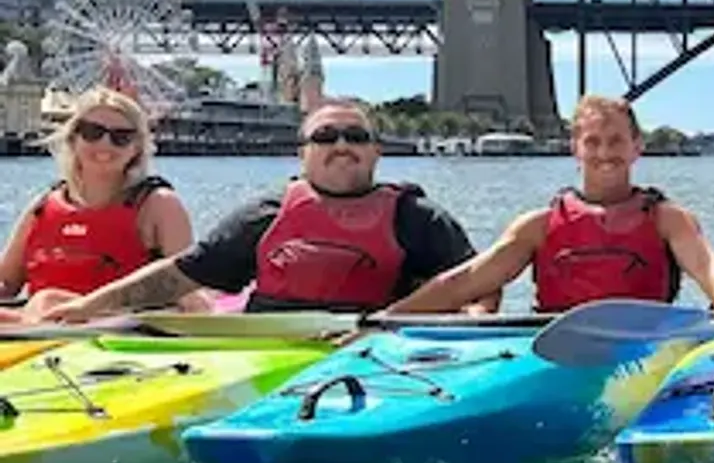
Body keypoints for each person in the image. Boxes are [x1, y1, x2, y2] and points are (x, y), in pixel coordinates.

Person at [48, 99, 483, 319]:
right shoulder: (266, 214)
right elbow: (179, 275)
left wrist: (474, 327)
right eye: (326, 138)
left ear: (377, 152)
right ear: (303, 154)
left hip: (370, 347)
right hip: (267, 346)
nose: (342, 146)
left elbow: (479, 285)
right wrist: (89, 308)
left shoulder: (418, 218)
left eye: (356, 136)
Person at [389, 94, 714, 314]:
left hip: (644, 351)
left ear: (637, 147)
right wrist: (387, 318)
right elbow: (465, 282)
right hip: (558, 354)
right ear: (575, 148)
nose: (605, 153)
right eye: (593, 142)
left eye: (616, 141)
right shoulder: (537, 226)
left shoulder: (669, 220)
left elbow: (712, 271)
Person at [0, 88, 198, 319]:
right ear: (73, 139)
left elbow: (190, 291)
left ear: (137, 148)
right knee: (44, 302)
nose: (106, 144)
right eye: (92, 132)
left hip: (114, 334)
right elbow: (6, 282)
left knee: (47, 300)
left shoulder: (159, 206)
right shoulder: (44, 206)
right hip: (37, 335)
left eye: (121, 137)